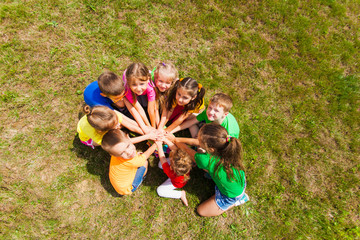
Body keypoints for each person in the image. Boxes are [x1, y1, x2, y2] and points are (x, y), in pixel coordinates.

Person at [173, 123, 249, 217]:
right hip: (238, 181)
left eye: (199, 139)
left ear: (211, 149)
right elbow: (196, 142)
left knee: (201, 211)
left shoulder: (205, 160)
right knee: (206, 167)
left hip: (232, 195)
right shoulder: (223, 144)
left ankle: (239, 200)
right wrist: (176, 139)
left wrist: (174, 140)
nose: (197, 139)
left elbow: (186, 149)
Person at [101, 129, 158, 195]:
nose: (129, 152)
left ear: (128, 138)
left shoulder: (116, 152)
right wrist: (156, 144)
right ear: (115, 154)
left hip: (120, 184)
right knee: (144, 162)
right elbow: (146, 155)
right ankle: (141, 178)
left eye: (128, 146)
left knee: (137, 159)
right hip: (127, 188)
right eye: (122, 153)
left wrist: (148, 136)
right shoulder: (131, 161)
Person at [171, 93, 240, 138]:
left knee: (201, 149)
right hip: (209, 127)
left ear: (225, 114)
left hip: (217, 138)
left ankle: (197, 141)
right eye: (210, 107)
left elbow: (225, 147)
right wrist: (171, 131)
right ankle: (197, 138)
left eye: (216, 110)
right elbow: (190, 122)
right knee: (189, 117)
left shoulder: (229, 132)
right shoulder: (208, 113)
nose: (211, 112)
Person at [77, 105, 143, 149]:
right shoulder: (92, 132)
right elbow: (120, 142)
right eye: (114, 125)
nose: (118, 125)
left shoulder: (109, 115)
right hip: (88, 138)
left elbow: (130, 125)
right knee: (112, 141)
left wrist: (145, 131)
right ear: (101, 131)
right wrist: (146, 136)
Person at [155, 138, 192, 206]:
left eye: (171, 159)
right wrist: (165, 139)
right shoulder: (184, 160)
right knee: (160, 164)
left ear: (171, 167)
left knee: (160, 190)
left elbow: (162, 159)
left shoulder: (171, 172)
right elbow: (174, 149)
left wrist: (159, 145)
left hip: (175, 183)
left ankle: (180, 194)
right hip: (179, 175)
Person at [122, 63, 157, 133]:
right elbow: (139, 109)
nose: (138, 88)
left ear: (147, 80)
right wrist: (148, 126)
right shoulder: (127, 89)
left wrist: (153, 127)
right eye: (134, 85)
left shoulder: (150, 88)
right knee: (140, 105)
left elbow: (151, 110)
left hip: (144, 88)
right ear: (129, 83)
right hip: (131, 92)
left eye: (141, 84)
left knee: (146, 104)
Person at [150, 62, 179, 127]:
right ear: (155, 78)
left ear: (172, 83)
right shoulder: (152, 86)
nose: (163, 85)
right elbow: (155, 108)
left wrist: (161, 126)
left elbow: (167, 109)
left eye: (167, 83)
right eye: (161, 81)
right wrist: (158, 126)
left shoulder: (173, 88)